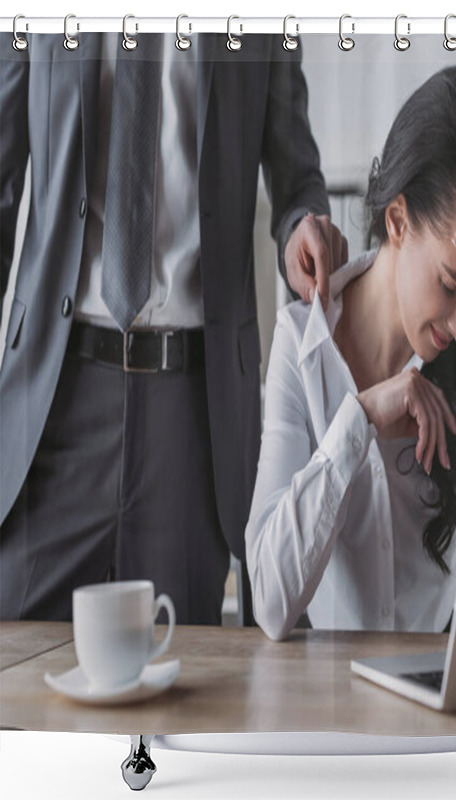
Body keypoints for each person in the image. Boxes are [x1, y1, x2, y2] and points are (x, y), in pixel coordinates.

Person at [0, 31, 346, 625]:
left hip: (191, 415)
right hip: (54, 398)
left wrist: (299, 230)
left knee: (176, 686)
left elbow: (297, 179)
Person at [245, 66, 456, 640]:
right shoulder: (300, 343)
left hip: (449, 696)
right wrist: (358, 419)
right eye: (447, 284)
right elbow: (268, 600)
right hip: (327, 709)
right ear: (396, 220)